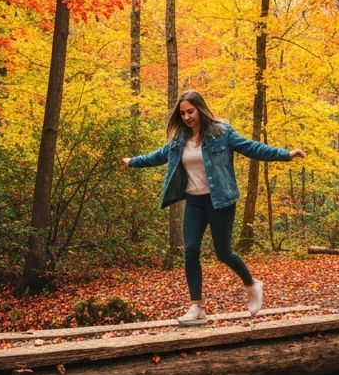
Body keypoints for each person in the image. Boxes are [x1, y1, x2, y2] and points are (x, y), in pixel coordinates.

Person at [123, 90, 306, 326]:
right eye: (183, 113)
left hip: (220, 201)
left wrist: (285, 155)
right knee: (190, 251)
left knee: (223, 253)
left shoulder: (221, 133)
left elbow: (252, 148)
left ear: (200, 109)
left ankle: (251, 284)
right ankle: (196, 308)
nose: (187, 117)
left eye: (191, 111)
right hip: (194, 202)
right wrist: (132, 162)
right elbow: (157, 156)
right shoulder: (179, 139)